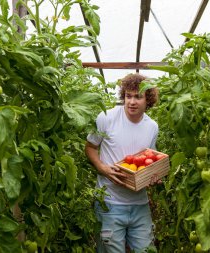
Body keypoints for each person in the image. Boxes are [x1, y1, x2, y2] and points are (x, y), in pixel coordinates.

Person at [85, 73, 159, 253]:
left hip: (139, 204)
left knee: (147, 250)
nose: (132, 101)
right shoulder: (106, 117)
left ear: (147, 100)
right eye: (128, 96)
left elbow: (149, 160)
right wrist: (102, 168)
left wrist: (153, 176)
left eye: (138, 97)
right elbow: (90, 147)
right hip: (109, 203)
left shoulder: (152, 127)